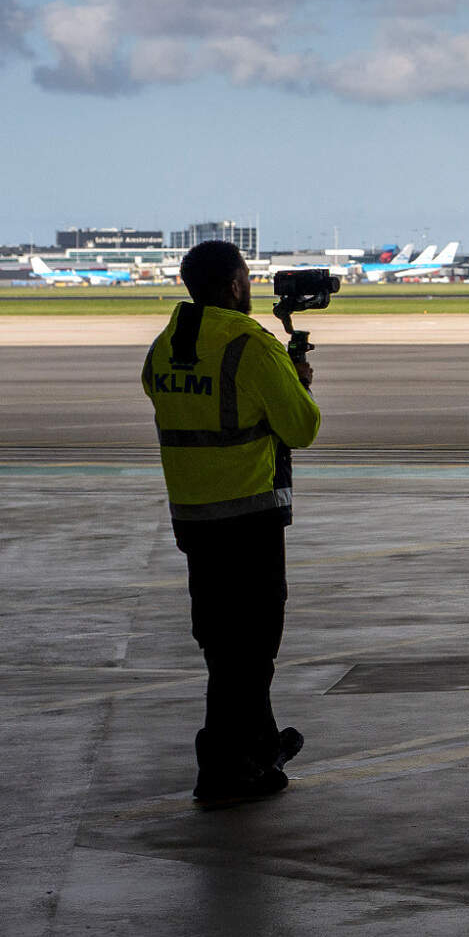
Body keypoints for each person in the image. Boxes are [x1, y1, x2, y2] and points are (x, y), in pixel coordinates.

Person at [140, 240, 325, 804]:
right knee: (251, 649)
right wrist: (295, 381)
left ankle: (258, 750)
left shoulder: (166, 345)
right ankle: (224, 766)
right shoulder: (250, 346)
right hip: (247, 515)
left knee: (224, 645)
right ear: (235, 285)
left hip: (194, 517)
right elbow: (302, 428)